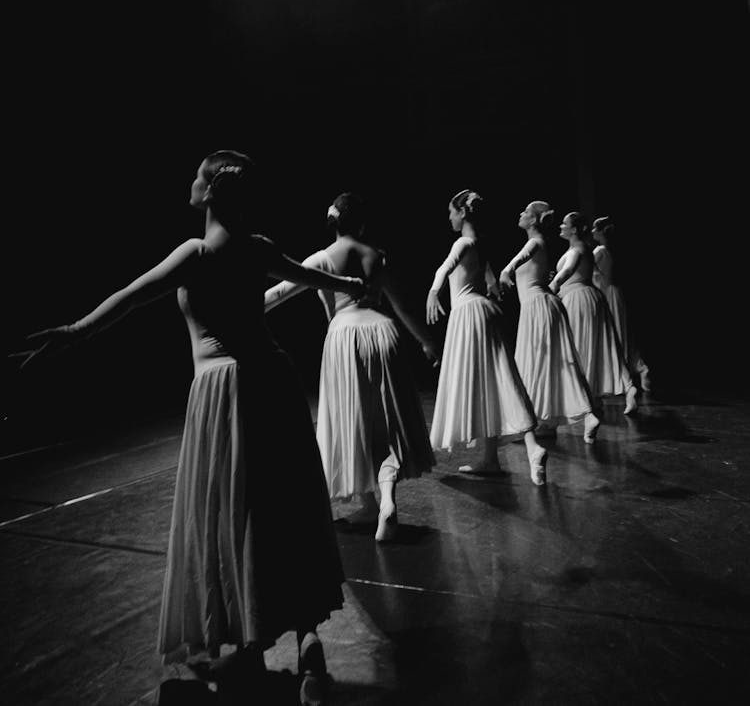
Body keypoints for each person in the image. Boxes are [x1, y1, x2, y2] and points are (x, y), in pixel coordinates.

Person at [16, 151, 365, 705]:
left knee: (233, 513)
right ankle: (304, 638)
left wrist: (73, 331)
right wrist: (351, 280)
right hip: (271, 380)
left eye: (198, 176)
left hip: (225, 390)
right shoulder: (257, 247)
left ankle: (251, 639)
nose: (190, 182)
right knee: (282, 506)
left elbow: (132, 297)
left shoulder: (198, 252)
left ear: (211, 192)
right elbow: (307, 275)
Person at [264, 192, 437, 544]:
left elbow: (280, 292)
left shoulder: (321, 258)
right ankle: (383, 502)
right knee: (385, 423)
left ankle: (371, 504)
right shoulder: (377, 256)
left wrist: (238, 311)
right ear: (361, 223)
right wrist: (426, 340)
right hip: (382, 332)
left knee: (355, 421)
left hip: (345, 338)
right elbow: (401, 305)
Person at [426, 190, 548, 484]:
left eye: (452, 212)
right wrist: (493, 287)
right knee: (495, 382)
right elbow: (491, 280)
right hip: (484, 312)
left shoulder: (464, 242)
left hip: (469, 314)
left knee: (487, 382)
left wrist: (432, 293)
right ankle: (500, 455)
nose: (450, 217)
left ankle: (519, 450)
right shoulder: (480, 244)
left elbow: (445, 268)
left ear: (463, 212)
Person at [499, 201, 599, 442]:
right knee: (550, 365)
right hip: (545, 305)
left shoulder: (534, 242)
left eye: (525, 212)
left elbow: (521, 259)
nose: (520, 214)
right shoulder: (541, 243)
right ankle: (551, 421)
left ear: (533, 220)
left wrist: (506, 271)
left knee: (534, 364)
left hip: (538, 307)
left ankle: (537, 421)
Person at [549, 212, 637, 417]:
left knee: (579, 348)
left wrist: (552, 286)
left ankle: (585, 401)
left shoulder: (577, 249)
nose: (560, 227)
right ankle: (621, 388)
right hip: (591, 297)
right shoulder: (586, 248)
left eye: (564, 224)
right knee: (600, 347)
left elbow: (568, 270)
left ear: (574, 229)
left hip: (578, 299)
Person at [592, 215, 651, 392]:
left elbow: (590, 273)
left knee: (615, 334)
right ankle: (639, 367)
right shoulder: (609, 249)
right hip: (613, 292)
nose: (592, 231)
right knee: (622, 333)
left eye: (595, 228)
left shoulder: (600, 251)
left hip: (607, 294)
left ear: (601, 231)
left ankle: (622, 375)